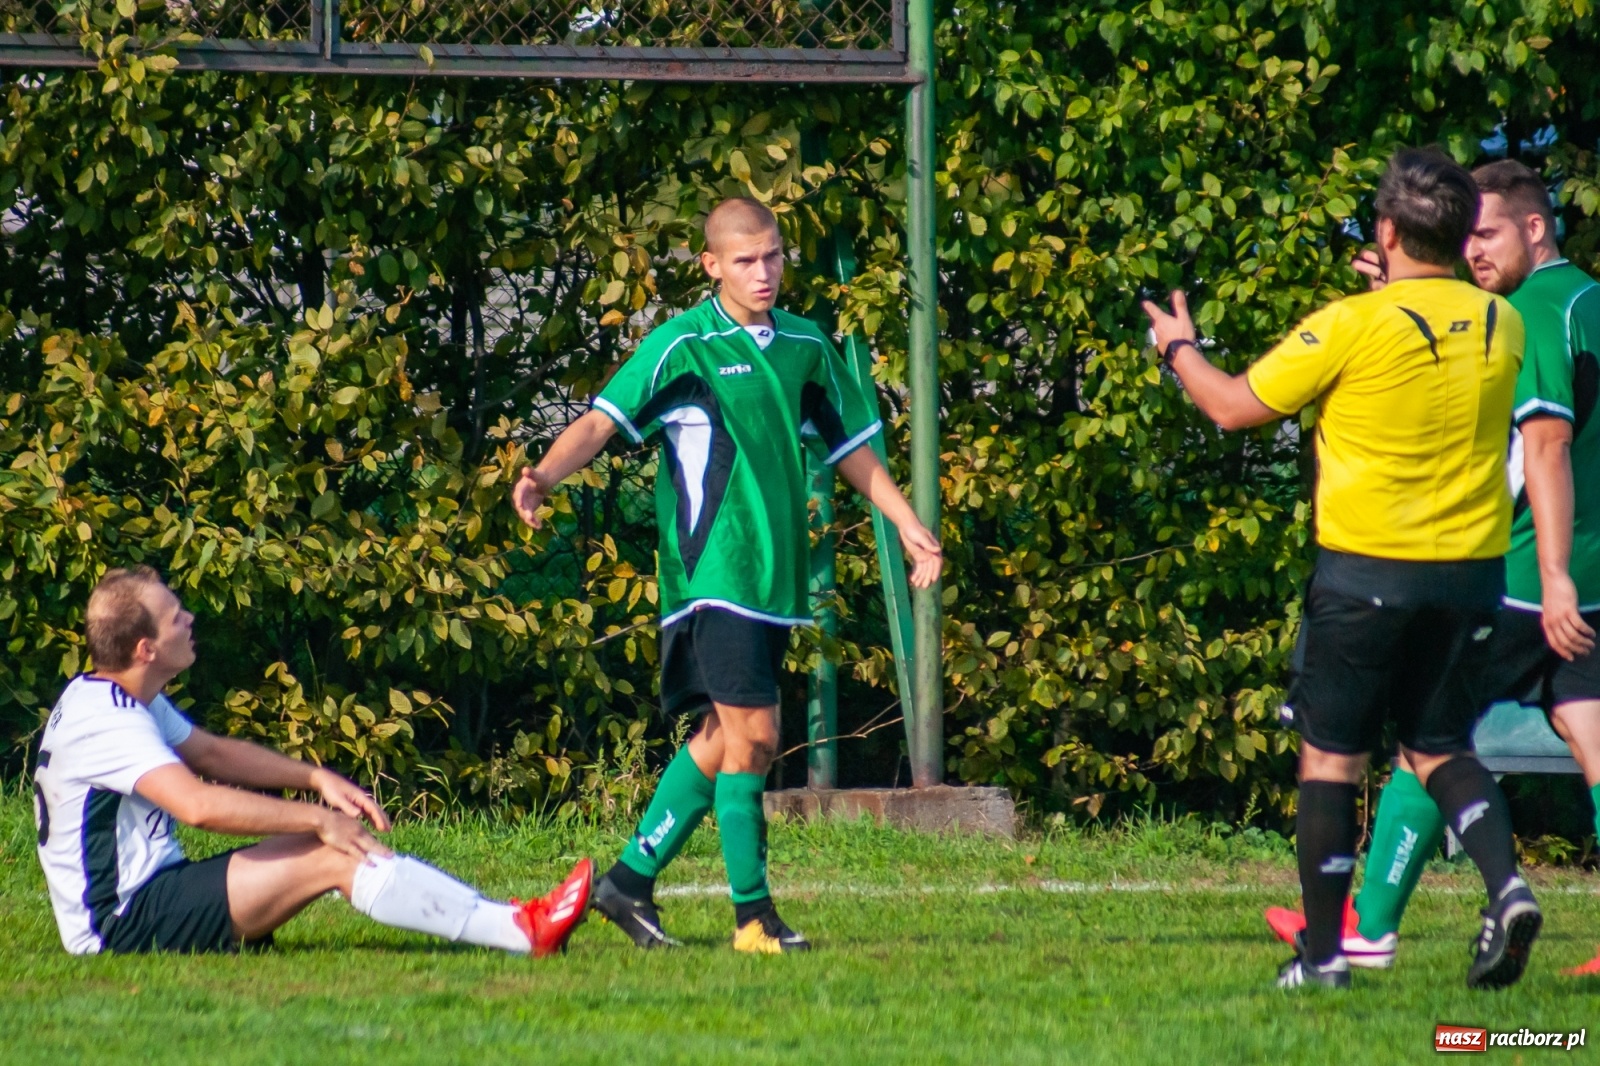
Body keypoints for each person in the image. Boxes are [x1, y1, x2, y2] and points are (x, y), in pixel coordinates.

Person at [1143, 147, 1535, 989]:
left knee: (1331, 759)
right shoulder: (1503, 323)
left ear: (1386, 231)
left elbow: (1231, 406)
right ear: (1463, 233)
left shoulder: (1353, 324)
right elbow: (1431, 337)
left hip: (1368, 572)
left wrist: (1178, 348)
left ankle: (1323, 959)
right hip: (1471, 573)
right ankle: (1506, 887)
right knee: (1438, 745)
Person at [512, 197, 942, 953]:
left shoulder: (807, 346)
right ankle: (753, 919)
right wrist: (542, 476)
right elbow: (601, 421)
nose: (763, 271)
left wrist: (907, 524)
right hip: (711, 574)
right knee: (757, 734)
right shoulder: (684, 345)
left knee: (721, 738)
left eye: (773, 255)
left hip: (775, 578)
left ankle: (627, 882)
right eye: (745, 260)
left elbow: (851, 449)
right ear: (711, 265)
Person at [1264, 158, 1600, 977]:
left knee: (1431, 740)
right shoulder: (1586, 301)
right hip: (1590, 572)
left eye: (1489, 235)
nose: (1474, 253)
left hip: (1523, 574)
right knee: (1586, 730)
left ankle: (1369, 926)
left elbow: (1545, 447)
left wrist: (1552, 571)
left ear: (1535, 228)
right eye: (1466, 237)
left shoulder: (1529, 313)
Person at [34, 565, 592, 956]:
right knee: (332, 854)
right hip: (120, 924)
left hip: (152, 895)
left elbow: (212, 753)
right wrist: (319, 818)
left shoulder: (117, 696)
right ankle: (524, 932)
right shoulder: (109, 718)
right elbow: (198, 805)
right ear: (146, 649)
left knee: (329, 845)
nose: (190, 619)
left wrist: (314, 778)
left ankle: (516, 920)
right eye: (176, 616)